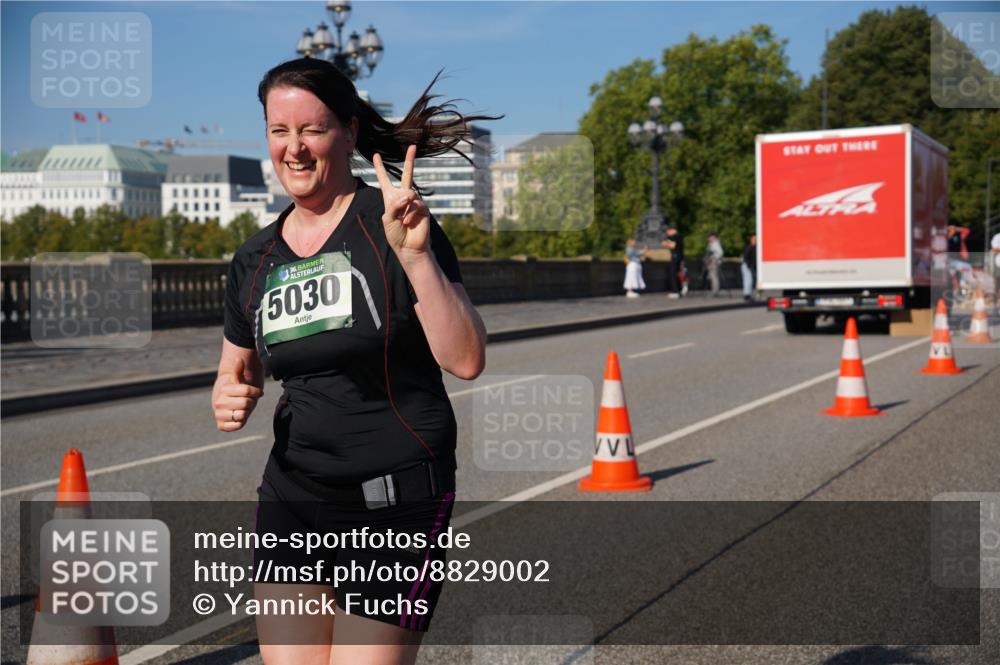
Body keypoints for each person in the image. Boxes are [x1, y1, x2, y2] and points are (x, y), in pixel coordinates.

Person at [212, 57, 491, 665]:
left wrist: (415, 258)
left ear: (349, 133)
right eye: (278, 131)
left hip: (394, 497)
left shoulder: (393, 224)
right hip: (294, 495)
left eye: (311, 130)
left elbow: (466, 359)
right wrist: (229, 396)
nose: (294, 149)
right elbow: (235, 372)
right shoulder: (254, 258)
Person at [661, 225, 684, 299]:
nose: (667, 233)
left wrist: (666, 243)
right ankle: (678, 290)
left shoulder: (677, 236)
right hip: (676, 257)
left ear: (672, 230)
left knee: (673, 274)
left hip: (675, 257)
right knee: (675, 274)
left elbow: (673, 245)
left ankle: (675, 291)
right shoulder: (674, 237)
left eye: (668, 232)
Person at [704, 231, 724, 297]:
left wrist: (714, 257)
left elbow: (720, 253)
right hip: (711, 262)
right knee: (712, 277)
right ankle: (714, 291)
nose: (708, 238)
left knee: (714, 277)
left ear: (713, 237)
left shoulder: (716, 243)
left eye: (709, 237)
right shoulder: (712, 243)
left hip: (714, 262)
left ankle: (715, 292)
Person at [741, 233, 757, 301]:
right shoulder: (749, 247)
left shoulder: (753, 247)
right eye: (754, 239)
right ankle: (747, 295)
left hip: (748, 265)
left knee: (749, 280)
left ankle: (747, 294)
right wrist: (749, 266)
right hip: (747, 265)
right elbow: (746, 257)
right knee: (748, 280)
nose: (755, 241)